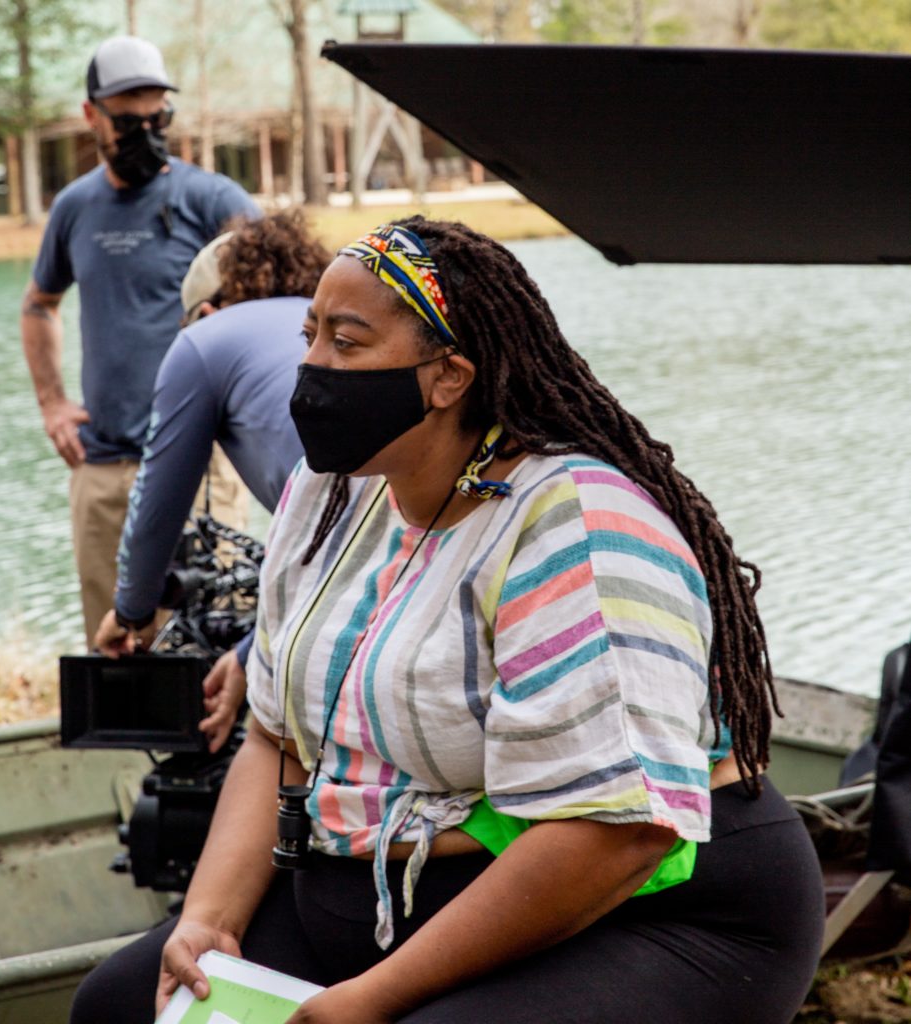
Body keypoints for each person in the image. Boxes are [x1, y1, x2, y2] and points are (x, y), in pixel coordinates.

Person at [70, 219, 824, 1024]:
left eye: (348, 344)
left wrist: (368, 1002)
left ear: (449, 376)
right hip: (373, 892)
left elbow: (617, 833)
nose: (312, 367)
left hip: (648, 913)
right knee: (121, 1005)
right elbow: (274, 734)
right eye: (310, 335)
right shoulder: (331, 493)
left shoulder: (574, 525)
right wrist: (208, 918)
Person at [20, 35, 261, 648]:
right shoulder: (75, 207)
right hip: (102, 466)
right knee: (117, 652)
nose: (145, 135)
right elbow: (38, 304)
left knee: (214, 636)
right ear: (90, 115)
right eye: (128, 122)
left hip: (202, 462)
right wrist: (52, 404)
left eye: (158, 120)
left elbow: (280, 302)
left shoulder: (212, 200)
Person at [93, 212, 329, 751]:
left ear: (202, 312)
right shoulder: (329, 325)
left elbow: (157, 504)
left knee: (271, 743)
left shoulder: (205, 340)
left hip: (344, 541)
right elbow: (330, 545)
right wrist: (248, 653)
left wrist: (131, 612)